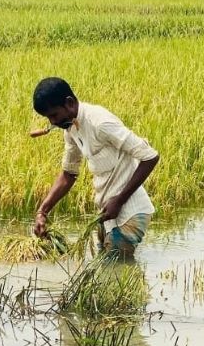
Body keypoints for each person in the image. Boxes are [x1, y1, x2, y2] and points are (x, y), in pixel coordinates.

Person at [32, 77, 160, 259]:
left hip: (129, 213)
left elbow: (150, 156)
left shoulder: (100, 123)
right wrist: (42, 211)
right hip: (107, 215)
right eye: (48, 118)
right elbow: (69, 173)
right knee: (105, 270)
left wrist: (119, 200)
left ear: (69, 103)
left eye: (54, 115)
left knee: (114, 270)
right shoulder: (71, 128)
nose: (52, 122)